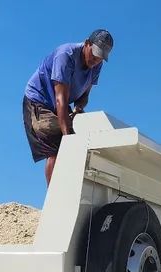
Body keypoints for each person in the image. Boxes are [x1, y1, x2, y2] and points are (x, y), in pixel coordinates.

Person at [22, 30, 113, 185]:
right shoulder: (66, 55)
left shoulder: (96, 65)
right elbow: (61, 100)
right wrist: (68, 136)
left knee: (83, 138)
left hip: (61, 104)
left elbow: (84, 96)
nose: (96, 59)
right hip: (39, 101)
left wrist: (78, 108)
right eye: (94, 54)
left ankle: (71, 189)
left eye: (100, 57)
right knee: (59, 144)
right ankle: (54, 196)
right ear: (86, 43)